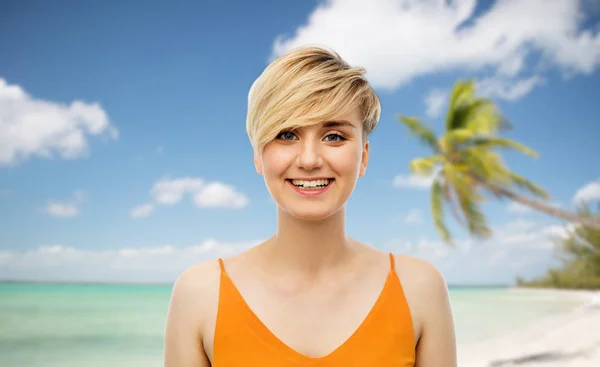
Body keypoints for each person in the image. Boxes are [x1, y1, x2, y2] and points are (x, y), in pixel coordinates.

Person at [164, 45, 457, 366]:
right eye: (286, 134)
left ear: (363, 157)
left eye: (333, 136)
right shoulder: (200, 295)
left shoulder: (419, 290)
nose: (309, 160)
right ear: (258, 156)